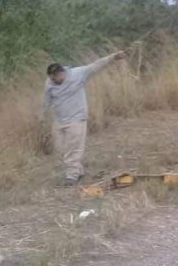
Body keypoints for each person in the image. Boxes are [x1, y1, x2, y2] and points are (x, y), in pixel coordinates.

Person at [43, 51, 126, 186]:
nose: (53, 81)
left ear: (61, 73)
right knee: (60, 149)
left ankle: (72, 176)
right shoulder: (49, 83)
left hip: (76, 118)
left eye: (55, 78)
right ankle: (79, 170)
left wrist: (113, 57)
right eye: (51, 78)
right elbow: (47, 99)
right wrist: (43, 114)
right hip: (59, 120)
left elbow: (96, 65)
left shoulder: (78, 74)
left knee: (73, 148)